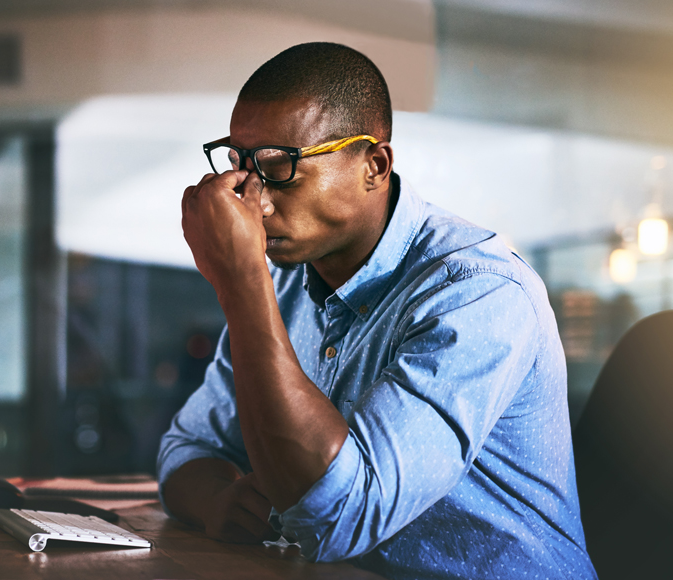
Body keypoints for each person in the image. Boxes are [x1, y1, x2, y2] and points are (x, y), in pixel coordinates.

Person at [157, 42, 596, 579]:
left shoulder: (481, 293)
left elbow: (338, 517)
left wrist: (241, 280)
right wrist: (218, 502)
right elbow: (187, 447)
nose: (255, 202)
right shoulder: (290, 284)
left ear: (374, 165)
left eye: (281, 169)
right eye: (241, 168)